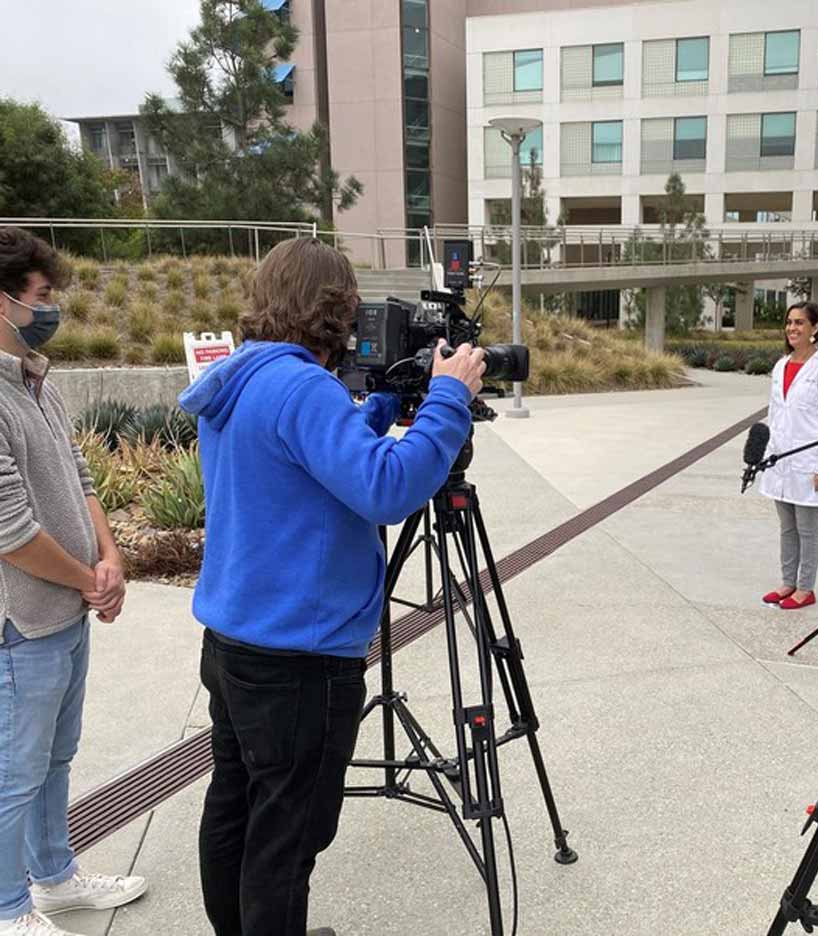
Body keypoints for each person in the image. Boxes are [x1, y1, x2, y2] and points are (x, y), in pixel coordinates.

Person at [178, 237, 485, 936]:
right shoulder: (302, 386)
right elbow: (387, 488)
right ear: (335, 308)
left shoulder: (244, 377)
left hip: (236, 644)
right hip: (298, 659)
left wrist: (375, 416)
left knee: (237, 805)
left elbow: (311, 460)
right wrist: (446, 401)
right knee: (286, 841)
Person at [0, 228, 147, 936]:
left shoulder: (33, 378)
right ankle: (8, 908)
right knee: (13, 773)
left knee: (55, 756)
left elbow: (79, 475)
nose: (49, 309)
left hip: (64, 612)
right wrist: (91, 578)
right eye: (41, 297)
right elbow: (11, 533)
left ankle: (54, 878)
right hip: (19, 620)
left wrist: (110, 553)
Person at [759, 301, 818, 611]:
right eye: (789, 322)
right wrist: (767, 456)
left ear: (815, 328)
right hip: (780, 460)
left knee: (807, 528)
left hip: (810, 463)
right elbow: (774, 414)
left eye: (799, 323)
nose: (792, 328)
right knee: (787, 527)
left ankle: (805, 588)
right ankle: (787, 582)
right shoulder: (781, 365)